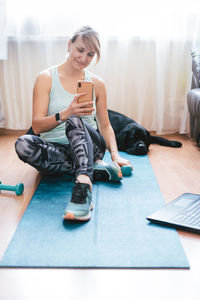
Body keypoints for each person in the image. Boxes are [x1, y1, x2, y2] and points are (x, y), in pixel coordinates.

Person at [15, 25, 133, 222]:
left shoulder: (98, 84)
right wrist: (65, 112)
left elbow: (105, 125)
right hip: (57, 149)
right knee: (23, 144)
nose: (84, 58)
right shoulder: (45, 79)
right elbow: (36, 127)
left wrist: (115, 154)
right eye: (80, 50)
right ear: (69, 45)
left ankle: (83, 185)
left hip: (90, 146)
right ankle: (92, 169)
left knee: (75, 120)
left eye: (90, 54)